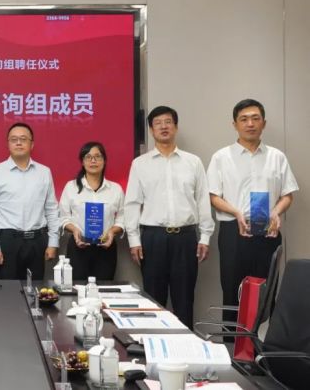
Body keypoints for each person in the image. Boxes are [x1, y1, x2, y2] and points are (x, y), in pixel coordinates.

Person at [207, 99, 298, 324]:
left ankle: (263, 343)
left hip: (268, 230)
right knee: (232, 290)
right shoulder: (221, 157)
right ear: (235, 124)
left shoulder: (277, 156)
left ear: (263, 123)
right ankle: (232, 343)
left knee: (266, 291)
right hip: (233, 231)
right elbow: (213, 196)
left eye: (255, 119)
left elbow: (288, 194)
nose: (250, 124)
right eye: (244, 119)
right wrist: (236, 212)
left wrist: (276, 211)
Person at [124, 106, 214, 328]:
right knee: (154, 299)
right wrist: (134, 240)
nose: (163, 127)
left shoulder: (193, 162)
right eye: (157, 123)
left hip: (186, 238)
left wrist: (205, 236)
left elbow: (202, 200)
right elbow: (132, 203)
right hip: (153, 238)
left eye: (168, 122)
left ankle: (187, 345)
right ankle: (155, 343)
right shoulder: (140, 164)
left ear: (176, 127)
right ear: (151, 130)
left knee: (185, 299)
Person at [0, 123, 59, 280]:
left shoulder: (44, 172)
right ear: (8, 144)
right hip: (7, 241)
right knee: (7, 291)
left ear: (32, 144)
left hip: (37, 241)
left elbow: (51, 209)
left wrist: (53, 242)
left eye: (23, 139)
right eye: (14, 139)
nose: (18, 143)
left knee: (36, 289)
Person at [58, 142, 124, 281]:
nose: (93, 161)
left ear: (104, 161)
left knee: (104, 288)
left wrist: (112, 232)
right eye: (88, 157)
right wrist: (74, 230)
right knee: (77, 288)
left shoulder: (115, 189)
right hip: (78, 246)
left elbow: (122, 218)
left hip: (106, 247)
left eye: (97, 157)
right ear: (82, 162)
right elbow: (63, 217)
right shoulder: (71, 187)